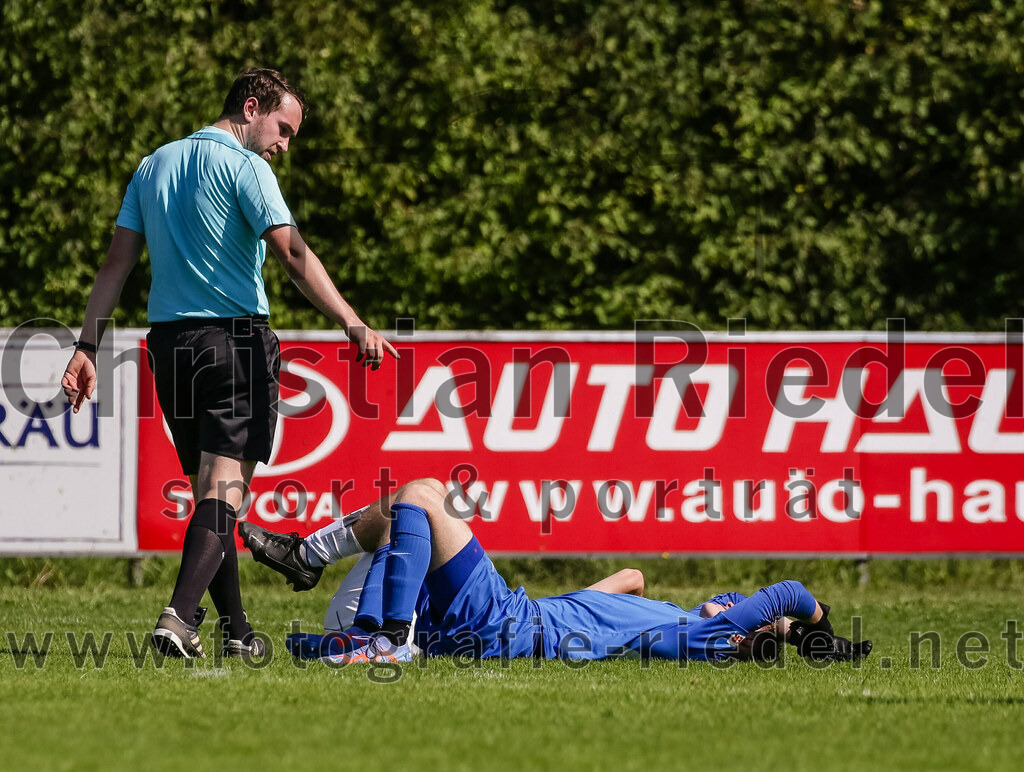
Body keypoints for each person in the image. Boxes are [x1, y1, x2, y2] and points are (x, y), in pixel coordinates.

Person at [60, 68, 398, 659]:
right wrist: (351, 320)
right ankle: (178, 617)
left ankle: (237, 633)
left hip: (169, 347)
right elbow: (291, 250)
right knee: (224, 489)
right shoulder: (247, 168)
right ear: (251, 107)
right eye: (283, 129)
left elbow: (115, 265)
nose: (284, 144)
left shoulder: (153, 165)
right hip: (233, 344)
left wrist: (87, 347)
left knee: (211, 496)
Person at [239, 479, 873, 665]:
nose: (722, 602)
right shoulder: (662, 621)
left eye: (733, 613)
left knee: (421, 494)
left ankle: (383, 641)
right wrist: (793, 634)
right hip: (502, 626)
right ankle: (316, 576)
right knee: (398, 514)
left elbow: (786, 594)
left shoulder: (695, 637)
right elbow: (629, 577)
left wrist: (820, 634)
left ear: (737, 634)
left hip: (508, 624)